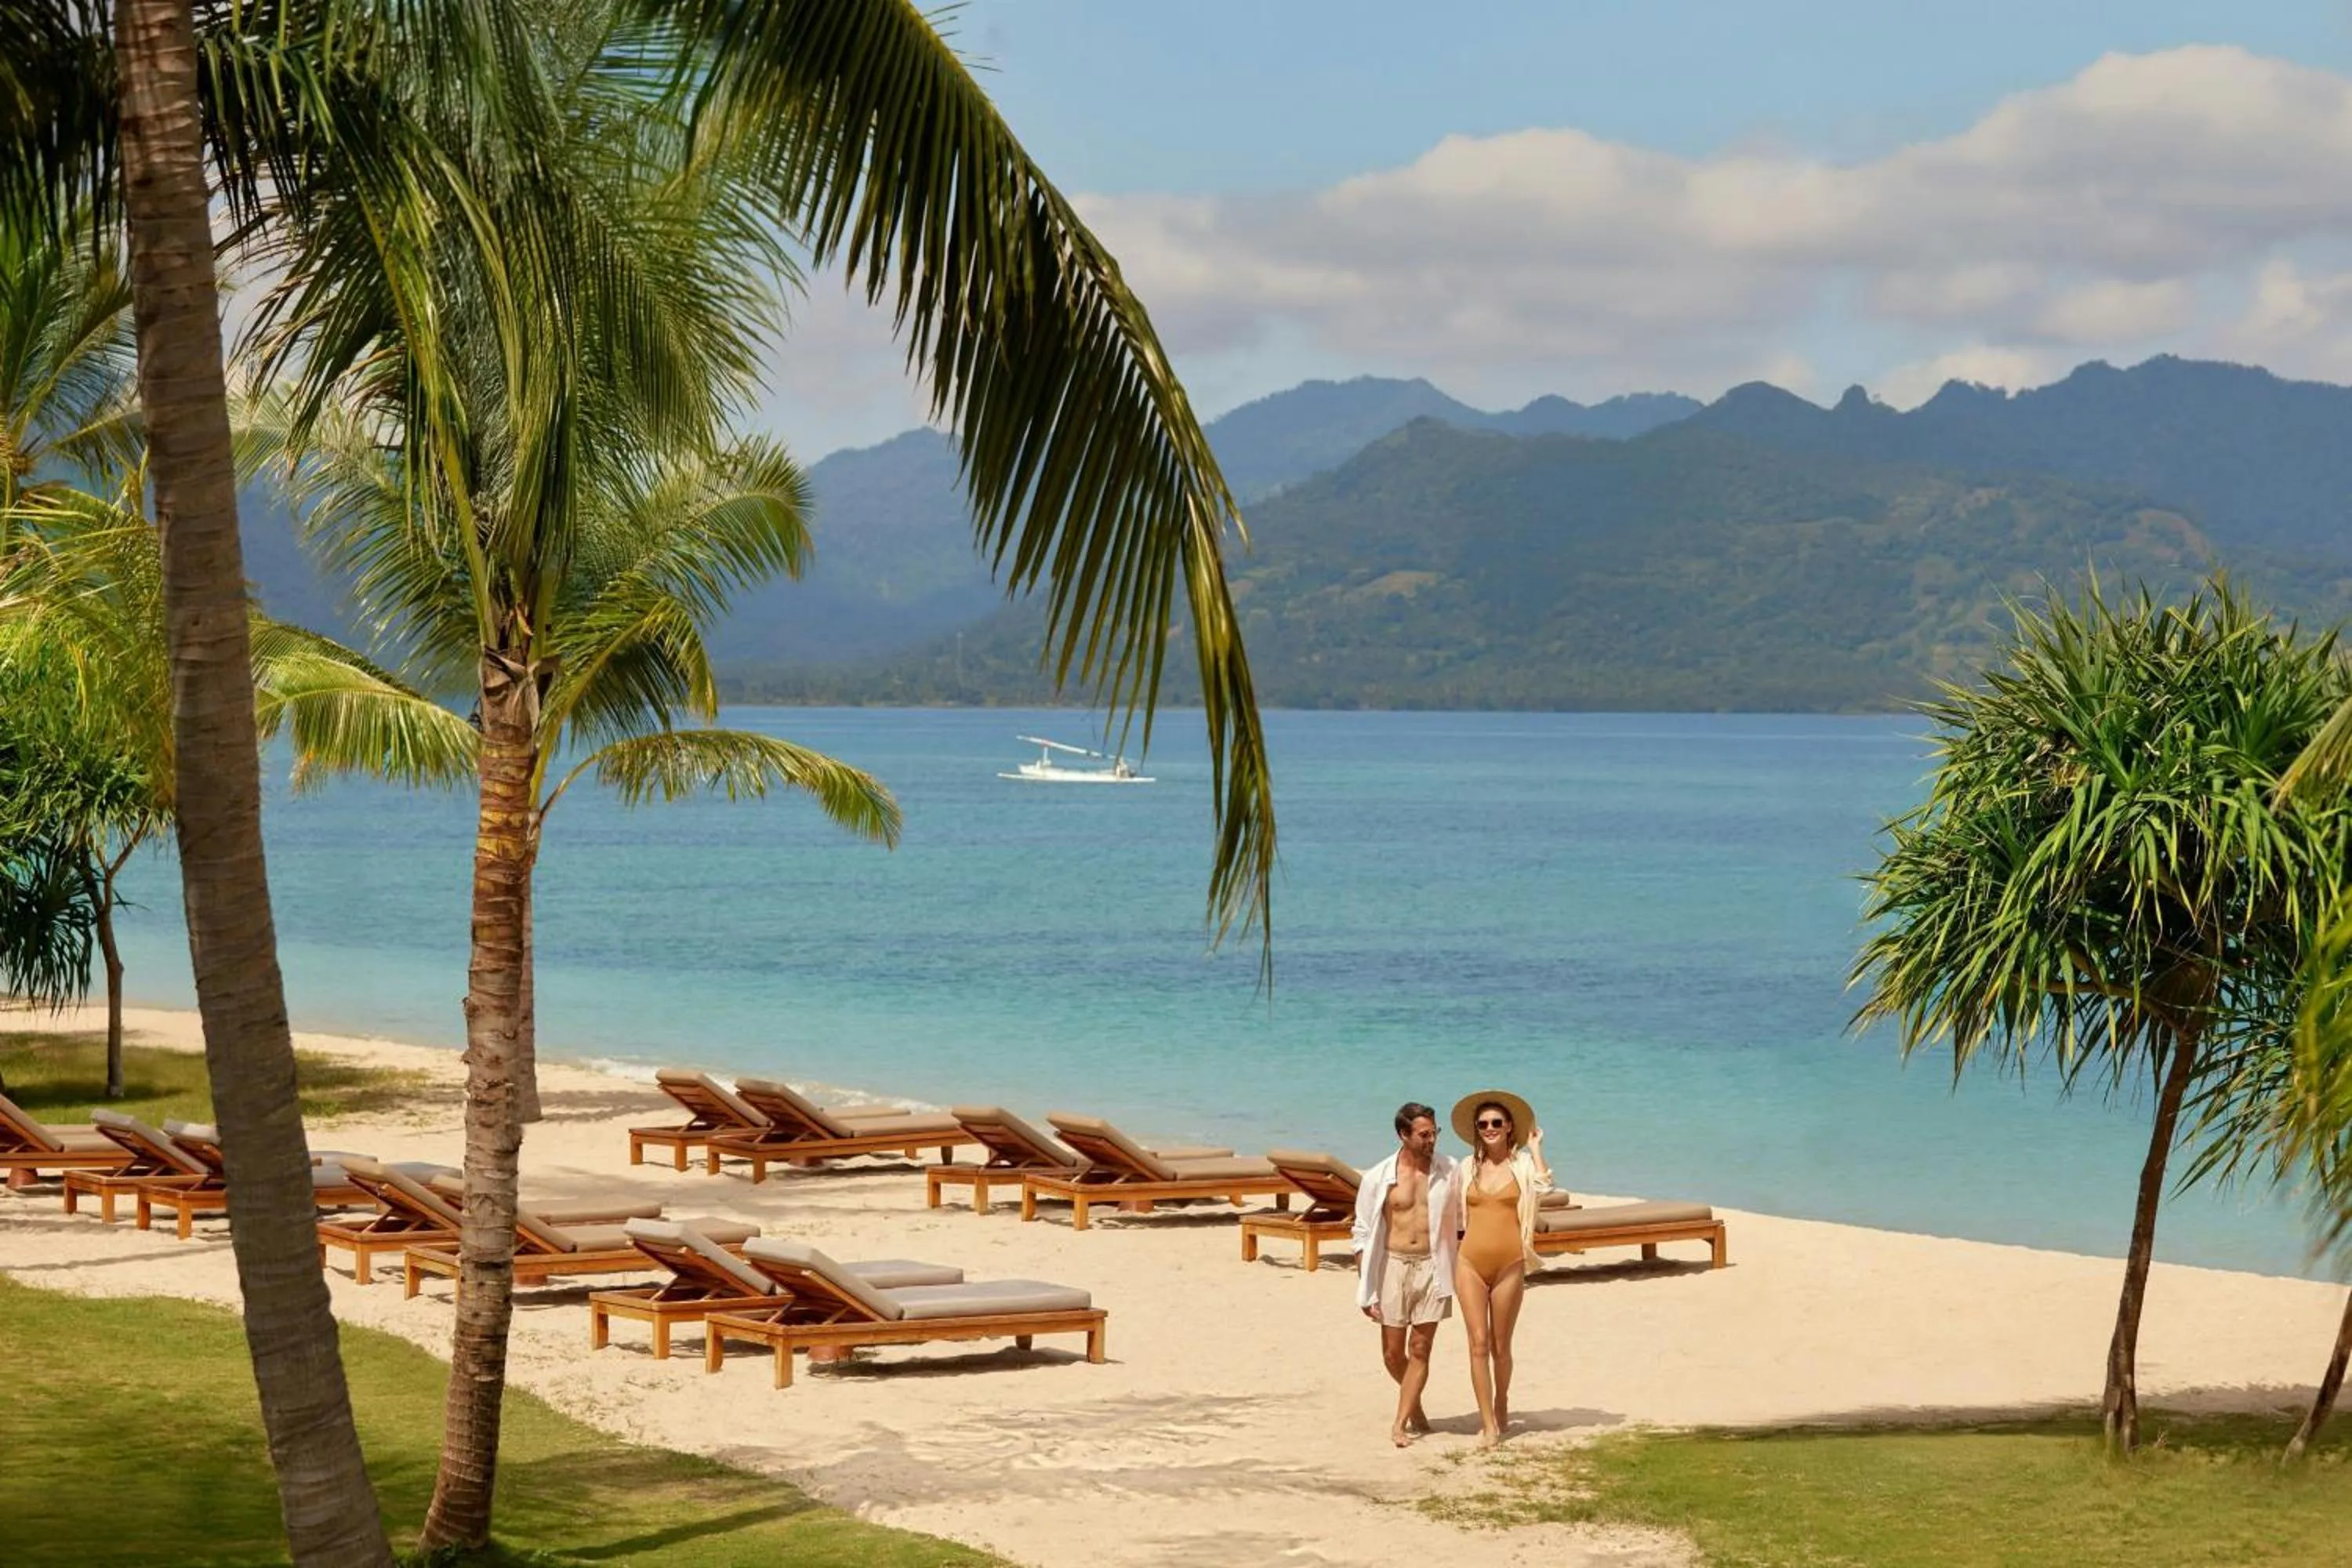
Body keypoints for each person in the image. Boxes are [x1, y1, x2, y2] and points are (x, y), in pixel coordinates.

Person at [1450, 1090, 1554, 1446]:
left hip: (1510, 1263)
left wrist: (1536, 1148)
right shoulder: (1466, 1167)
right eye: (1483, 1124)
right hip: (1469, 1263)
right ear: (1476, 1131)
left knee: (1500, 1347)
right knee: (1477, 1344)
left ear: (1509, 1127)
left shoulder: (1522, 1165)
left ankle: (1502, 1399)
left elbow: (1544, 1185)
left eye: (1497, 1122)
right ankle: (1489, 1423)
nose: (1490, 1128)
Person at [1351, 1101, 1457, 1446]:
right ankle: (1415, 1404)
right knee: (1393, 1355)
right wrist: (1365, 1287)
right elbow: (1363, 1232)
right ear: (1404, 1135)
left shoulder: (1449, 1170)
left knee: (1421, 1348)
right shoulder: (1378, 1177)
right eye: (1424, 1135)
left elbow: (1466, 1219)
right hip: (1392, 1266)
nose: (1432, 1141)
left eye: (1435, 1133)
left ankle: (1400, 1423)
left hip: (1431, 1266)